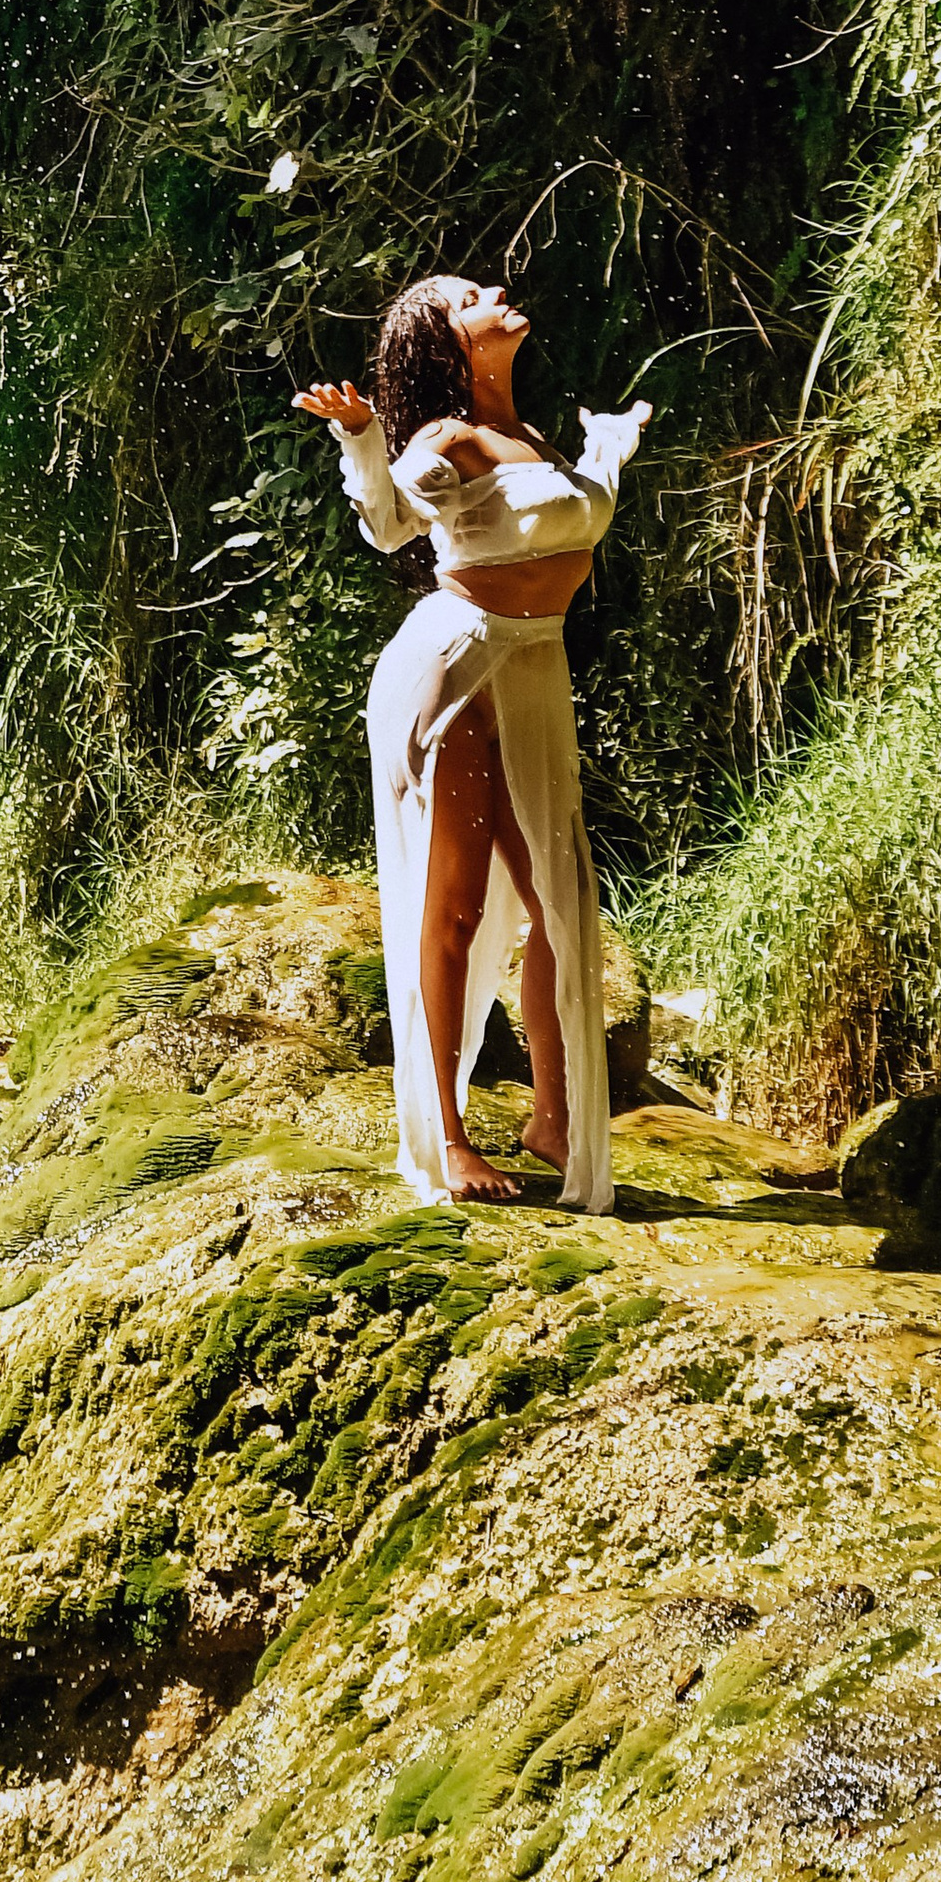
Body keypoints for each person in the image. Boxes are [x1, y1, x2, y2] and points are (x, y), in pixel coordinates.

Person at [295, 277, 648, 1212]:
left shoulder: (534, 441)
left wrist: (608, 446)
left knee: (562, 901)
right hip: (455, 669)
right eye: (469, 297)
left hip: (534, 668)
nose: (496, 291)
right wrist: (362, 437)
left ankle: (552, 1118)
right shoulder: (443, 441)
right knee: (452, 901)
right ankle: (447, 1137)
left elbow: (571, 513)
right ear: (449, 342)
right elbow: (391, 525)